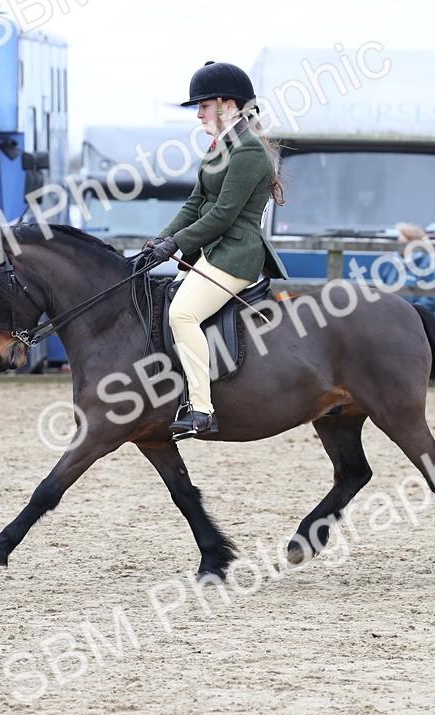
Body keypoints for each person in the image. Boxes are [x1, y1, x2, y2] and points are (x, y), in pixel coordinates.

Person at [145, 61, 289, 439]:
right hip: (213, 250)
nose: (198, 114)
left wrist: (177, 244)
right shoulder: (220, 147)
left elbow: (224, 215)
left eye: (203, 106)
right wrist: (160, 241)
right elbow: (194, 204)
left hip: (236, 253)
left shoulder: (249, 151)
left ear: (228, 104)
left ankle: (202, 411)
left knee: (183, 314)